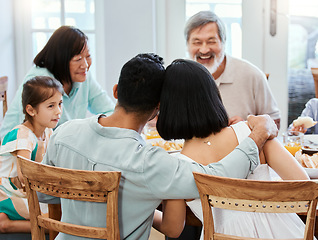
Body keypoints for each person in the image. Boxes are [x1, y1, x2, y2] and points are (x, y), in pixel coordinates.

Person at [39, 53, 278, 240]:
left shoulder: (64, 132)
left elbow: (44, 193)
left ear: (115, 91)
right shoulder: (149, 162)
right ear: (158, 107)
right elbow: (216, 177)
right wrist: (258, 135)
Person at [154, 59, 309, 239]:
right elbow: (303, 187)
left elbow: (173, 229)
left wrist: (146, 215)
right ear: (213, 96)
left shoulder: (177, 167)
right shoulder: (254, 132)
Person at [0, 25, 114, 139]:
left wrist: (93, 127)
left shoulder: (83, 75)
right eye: (78, 59)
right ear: (61, 60)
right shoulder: (40, 81)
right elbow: (30, 133)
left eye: (88, 56)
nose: (85, 65)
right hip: (20, 147)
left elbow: (110, 111)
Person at [185, 11, 281, 128]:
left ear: (223, 42)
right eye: (197, 42)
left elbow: (274, 121)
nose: (204, 50)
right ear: (187, 45)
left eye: (211, 41)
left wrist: (247, 127)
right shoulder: (176, 77)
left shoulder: (252, 75)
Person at [0, 76, 63, 233]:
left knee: (62, 214)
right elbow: (25, 175)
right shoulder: (23, 135)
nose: (58, 111)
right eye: (51, 106)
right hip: (8, 194)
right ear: (31, 110)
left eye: (60, 104)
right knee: (56, 221)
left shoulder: (48, 132)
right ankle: (7, 225)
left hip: (27, 192)